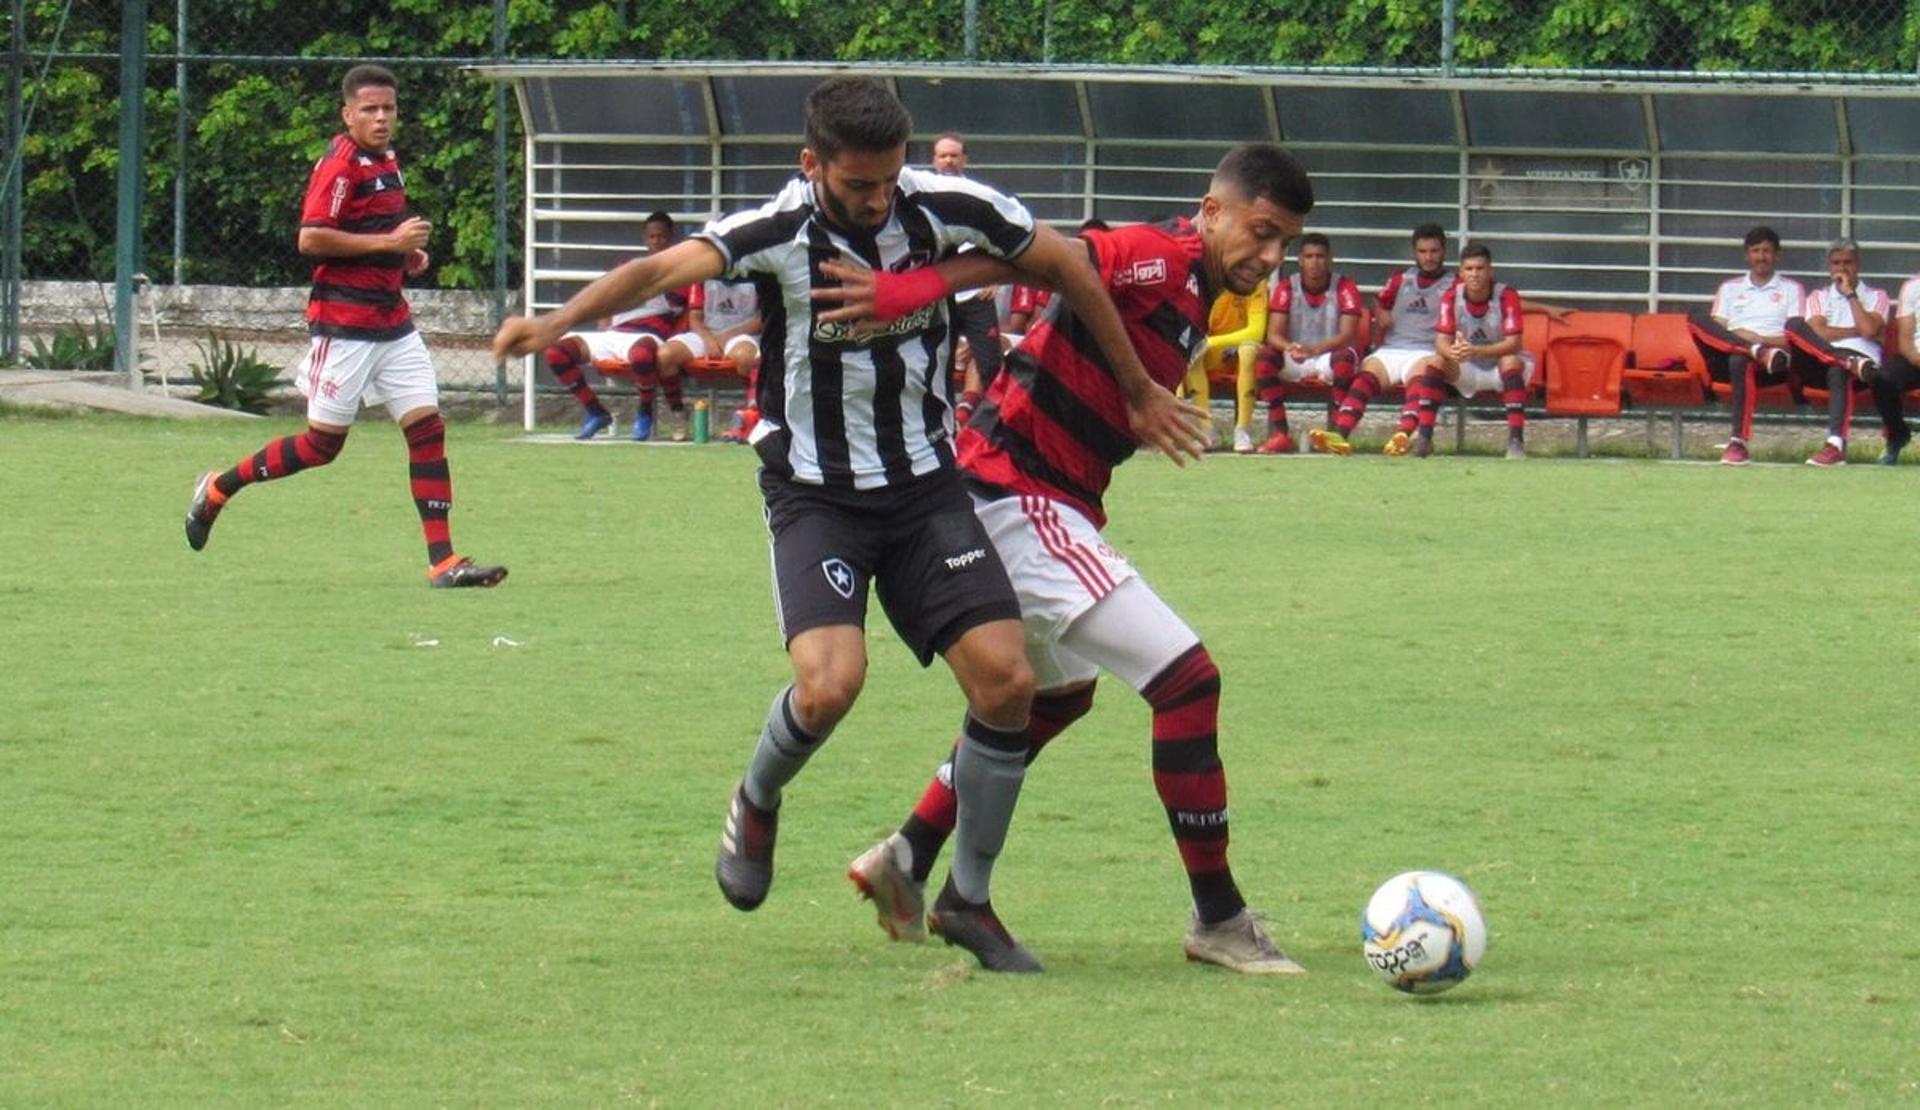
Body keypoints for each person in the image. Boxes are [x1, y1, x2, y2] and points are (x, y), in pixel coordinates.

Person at [493, 77, 1207, 974]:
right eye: (856, 185)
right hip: (816, 494)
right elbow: (656, 271)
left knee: (1007, 682)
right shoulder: (778, 233)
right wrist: (554, 320)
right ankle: (757, 797)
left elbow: (1061, 260)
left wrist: (1140, 387)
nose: (876, 201)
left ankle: (969, 902)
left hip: (926, 489)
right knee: (831, 686)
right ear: (812, 165)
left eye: (887, 181)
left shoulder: (942, 203)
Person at [828, 143, 1316, 976]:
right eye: (1259, 233)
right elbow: (1053, 257)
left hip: (1027, 496)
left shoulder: (1198, 290)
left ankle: (909, 855)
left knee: (1055, 700)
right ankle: (1219, 917)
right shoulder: (1159, 257)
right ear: (1212, 212)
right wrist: (909, 290)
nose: (1268, 257)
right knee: (1188, 681)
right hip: (1017, 495)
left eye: (1283, 243)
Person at [182, 65, 505, 589]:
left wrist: (406, 256)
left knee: (428, 430)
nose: (381, 118)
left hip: (393, 323)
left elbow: (375, 232)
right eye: (370, 110)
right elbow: (312, 239)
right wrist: (389, 246)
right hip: (345, 325)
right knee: (321, 447)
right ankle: (218, 487)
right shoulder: (341, 165)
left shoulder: (388, 159)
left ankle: (444, 562)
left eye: (389, 109)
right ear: (347, 114)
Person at [540, 213, 693, 441]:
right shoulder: (628, 266)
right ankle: (595, 410)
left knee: (642, 355)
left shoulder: (681, 273)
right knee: (555, 351)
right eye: (652, 236)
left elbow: (685, 312)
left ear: (671, 238)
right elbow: (608, 296)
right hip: (615, 333)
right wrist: (604, 320)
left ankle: (644, 411)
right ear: (645, 239)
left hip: (647, 335)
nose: (656, 241)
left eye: (662, 237)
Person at [1385, 243, 1532, 460]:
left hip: (1499, 366)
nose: (1475, 274)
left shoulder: (1506, 295)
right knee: (1435, 362)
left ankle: (1516, 441)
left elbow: (1514, 343)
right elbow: (1441, 341)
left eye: (1480, 269)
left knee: (1510, 361)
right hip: (1469, 364)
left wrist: (1477, 350)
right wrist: (1453, 352)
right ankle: (1425, 438)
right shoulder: (1452, 296)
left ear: (1491, 271)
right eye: (1469, 269)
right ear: (1461, 273)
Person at [1686, 226, 1807, 467]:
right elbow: (1715, 330)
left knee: (1739, 360)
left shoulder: (1792, 289)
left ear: (1776, 255)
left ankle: (1738, 442)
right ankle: (1748, 349)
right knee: (1696, 316)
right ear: (1746, 255)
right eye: (1755, 251)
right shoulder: (1729, 289)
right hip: (1728, 357)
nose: (1761, 257)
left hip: (1772, 364)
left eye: (1767, 251)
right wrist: (1745, 342)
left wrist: (1758, 340)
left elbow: (1794, 337)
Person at [1251, 232, 1363, 455]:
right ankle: (1280, 434)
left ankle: (1337, 433)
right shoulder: (1286, 287)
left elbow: (1348, 334)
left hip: (1327, 356)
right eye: (1309, 256)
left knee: (1346, 359)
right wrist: (1288, 347)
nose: (1314, 262)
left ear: (1330, 259)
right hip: (1296, 354)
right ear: (1300, 260)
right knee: (1264, 357)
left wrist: (1315, 349)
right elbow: (1273, 333)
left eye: (1320, 256)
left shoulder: (1344, 287)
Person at [1784, 238, 1887, 467]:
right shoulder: (1818, 297)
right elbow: (1817, 334)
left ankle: (1834, 445)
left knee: (1838, 371)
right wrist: (1855, 331)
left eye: (1847, 263)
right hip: (1823, 363)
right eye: (1836, 263)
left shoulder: (1876, 295)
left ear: (1858, 265)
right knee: (1793, 324)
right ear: (1829, 266)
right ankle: (1844, 360)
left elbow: (1869, 330)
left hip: (1863, 370)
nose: (1841, 269)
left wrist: (1850, 294)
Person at [930, 132, 1005, 423]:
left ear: (964, 159)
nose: (948, 160)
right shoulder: (921, 196)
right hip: (938, 294)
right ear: (934, 160)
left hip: (975, 295)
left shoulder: (980, 195)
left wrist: (994, 279)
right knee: (937, 364)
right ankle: (942, 427)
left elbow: (1001, 241)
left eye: (954, 155)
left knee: (990, 364)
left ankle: (992, 430)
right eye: (943, 155)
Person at [658, 275, 763, 442]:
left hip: (741, 334)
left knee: (747, 358)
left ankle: (750, 416)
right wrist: (709, 340)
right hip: (704, 333)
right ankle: (677, 411)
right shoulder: (704, 275)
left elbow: (761, 319)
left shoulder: (759, 275)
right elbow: (695, 318)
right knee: (665, 355)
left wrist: (727, 336)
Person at [1183, 279, 1269, 453]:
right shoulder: (1202, 280)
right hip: (1212, 355)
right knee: (1193, 352)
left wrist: (1212, 342)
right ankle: (1206, 430)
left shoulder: (1256, 282)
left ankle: (1242, 431)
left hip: (1242, 349)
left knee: (1248, 351)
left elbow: (1256, 332)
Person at [1869, 272, 1920, 465]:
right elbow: (1906, 344)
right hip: (1915, 358)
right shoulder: (1913, 287)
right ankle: (1897, 434)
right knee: (1883, 378)